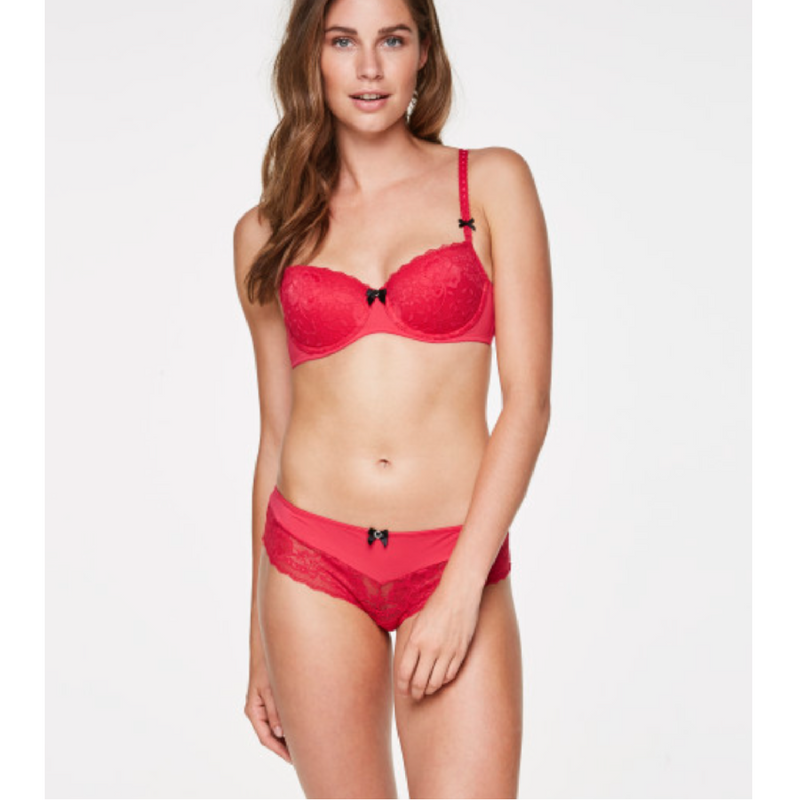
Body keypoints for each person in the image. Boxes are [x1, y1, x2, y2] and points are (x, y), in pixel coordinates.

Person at [233, 0, 552, 795]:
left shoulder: (492, 184)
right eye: (344, 41)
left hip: (453, 557)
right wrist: (257, 643)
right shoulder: (267, 232)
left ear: (423, 54)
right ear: (312, 57)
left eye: (393, 40)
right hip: (310, 567)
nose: (370, 67)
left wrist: (460, 593)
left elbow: (528, 403)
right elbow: (275, 435)